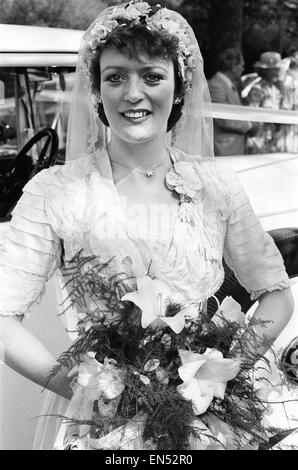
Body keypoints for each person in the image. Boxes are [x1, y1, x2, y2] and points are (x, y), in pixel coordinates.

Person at [0, 1, 294, 450]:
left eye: (152, 76)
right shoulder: (54, 191)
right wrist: (83, 392)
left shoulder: (216, 185)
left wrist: (216, 377)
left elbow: (276, 293)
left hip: (205, 431)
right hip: (102, 431)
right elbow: (3, 319)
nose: (132, 94)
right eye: (115, 77)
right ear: (97, 90)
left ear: (178, 88)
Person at [208, 48, 253, 156]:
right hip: (224, 148)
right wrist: (250, 125)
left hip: (234, 148)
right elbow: (223, 118)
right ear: (233, 67)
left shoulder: (228, 84)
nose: (243, 69)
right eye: (241, 65)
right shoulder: (216, 86)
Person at [245, 51, 283, 154]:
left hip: (272, 139)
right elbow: (251, 117)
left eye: (278, 69)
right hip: (258, 140)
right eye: (274, 70)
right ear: (265, 71)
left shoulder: (276, 90)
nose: (277, 73)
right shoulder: (257, 89)